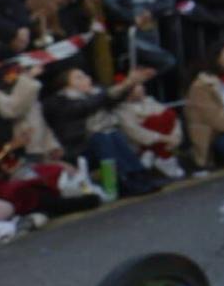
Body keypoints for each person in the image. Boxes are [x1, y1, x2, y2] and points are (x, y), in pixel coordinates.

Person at [0, 79, 104, 217]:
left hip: (16, 170)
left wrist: (21, 142)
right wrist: (10, 146)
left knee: (55, 171)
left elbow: (16, 153)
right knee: (24, 191)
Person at [41, 66, 166, 196]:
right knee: (101, 137)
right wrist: (126, 83)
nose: (86, 79)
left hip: (103, 141)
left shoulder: (95, 93)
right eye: (79, 77)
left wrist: (132, 82)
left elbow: (114, 97)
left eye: (85, 75)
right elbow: (86, 106)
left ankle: (140, 176)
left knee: (112, 134)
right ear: (66, 85)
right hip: (78, 148)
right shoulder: (58, 102)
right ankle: (123, 180)